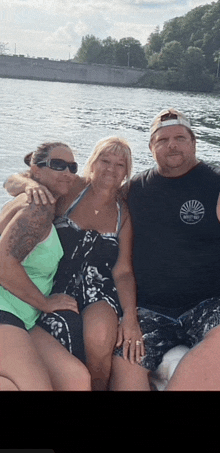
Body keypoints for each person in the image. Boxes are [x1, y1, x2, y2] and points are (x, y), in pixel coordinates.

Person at [3, 137, 144, 391]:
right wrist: (26, 185)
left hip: (97, 286)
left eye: (120, 164)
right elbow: (15, 180)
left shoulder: (123, 211)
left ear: (127, 172)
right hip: (56, 281)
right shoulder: (70, 187)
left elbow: (122, 270)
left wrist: (130, 315)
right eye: (105, 160)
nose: (111, 168)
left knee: (100, 335)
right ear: (92, 162)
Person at [111, 107, 220, 390]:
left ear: (194, 143)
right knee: (126, 367)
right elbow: (86, 190)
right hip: (149, 311)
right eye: (162, 140)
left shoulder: (216, 183)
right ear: (151, 147)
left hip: (208, 305)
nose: (171, 144)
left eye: (180, 137)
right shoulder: (133, 190)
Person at [0, 141, 91, 391]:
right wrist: (45, 303)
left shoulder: (36, 195)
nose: (67, 172)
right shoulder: (39, 207)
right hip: (5, 312)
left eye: (72, 167)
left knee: (76, 379)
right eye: (58, 165)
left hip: (24, 317)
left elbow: (11, 181)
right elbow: (3, 265)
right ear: (36, 170)